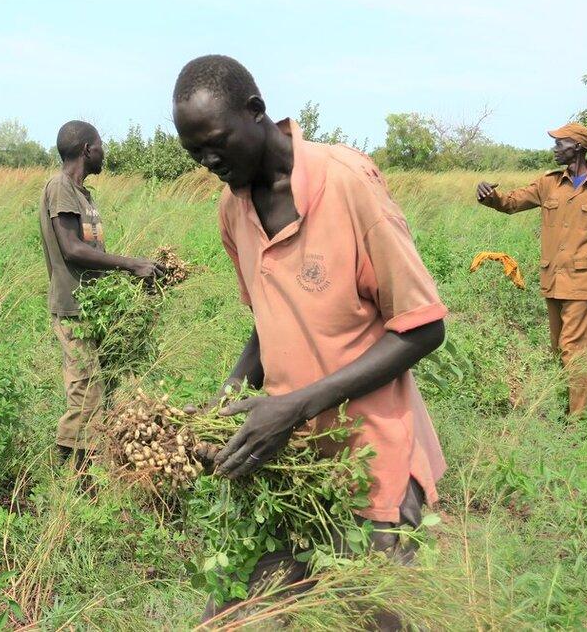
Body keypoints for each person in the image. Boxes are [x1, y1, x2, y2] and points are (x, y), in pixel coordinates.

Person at [171, 55, 448, 625]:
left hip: (371, 460)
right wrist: (230, 395)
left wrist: (293, 407)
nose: (208, 162)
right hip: (291, 465)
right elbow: (270, 317)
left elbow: (422, 326)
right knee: (233, 615)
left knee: (368, 616)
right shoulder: (233, 208)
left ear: (256, 111)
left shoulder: (346, 183)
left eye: (216, 143)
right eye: (194, 152)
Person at [38, 120, 162, 472]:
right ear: (87, 149)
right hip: (73, 308)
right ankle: (71, 477)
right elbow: (72, 248)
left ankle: (79, 472)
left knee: (94, 389)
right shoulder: (60, 187)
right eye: (101, 146)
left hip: (91, 307)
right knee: (86, 390)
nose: (104, 152)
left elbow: (92, 254)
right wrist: (130, 264)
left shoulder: (83, 195)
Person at [476, 123, 587, 416]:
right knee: (559, 351)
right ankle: (566, 412)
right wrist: (489, 196)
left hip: (584, 285)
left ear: (578, 147)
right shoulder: (548, 183)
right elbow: (511, 202)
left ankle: (577, 423)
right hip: (553, 282)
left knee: (575, 351)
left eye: (560, 143)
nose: (555, 148)